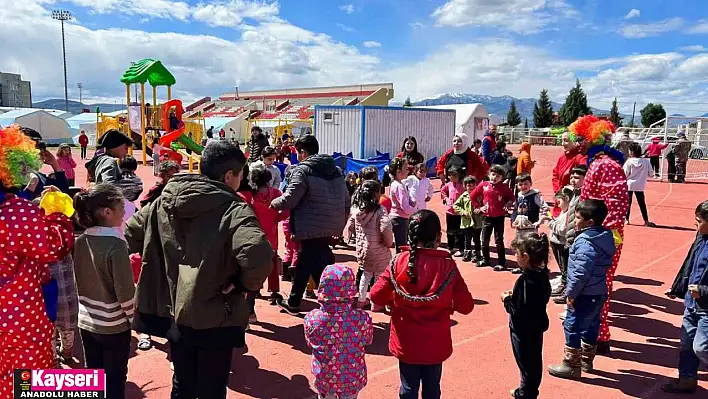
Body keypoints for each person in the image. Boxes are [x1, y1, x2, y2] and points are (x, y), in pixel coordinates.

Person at [125, 141, 273, 398]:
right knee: (213, 387)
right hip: (216, 313)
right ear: (229, 175)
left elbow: (130, 233)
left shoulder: (164, 201)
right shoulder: (234, 208)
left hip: (174, 310)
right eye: (240, 175)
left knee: (182, 381)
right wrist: (243, 284)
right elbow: (258, 254)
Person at [0, 125, 75, 398]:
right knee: (28, 380)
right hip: (19, 317)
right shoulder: (14, 212)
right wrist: (56, 212)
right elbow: (58, 246)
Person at [370, 210, 474, 399]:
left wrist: (396, 296)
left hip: (406, 341)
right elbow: (466, 306)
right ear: (438, 236)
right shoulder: (447, 265)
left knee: (408, 387)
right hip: (435, 343)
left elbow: (376, 296)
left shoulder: (398, 261)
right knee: (432, 388)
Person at [272, 135, 350, 315]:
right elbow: (346, 199)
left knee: (308, 260)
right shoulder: (337, 170)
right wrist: (341, 221)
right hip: (332, 223)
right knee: (316, 260)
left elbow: (290, 198)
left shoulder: (302, 171)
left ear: (303, 153)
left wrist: (273, 203)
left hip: (309, 225)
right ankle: (314, 298)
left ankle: (305, 300)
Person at [571, 115, 629, 354]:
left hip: (604, 236)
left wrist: (597, 233)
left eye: (581, 139)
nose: (578, 143)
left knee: (598, 285)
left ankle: (598, 339)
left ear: (592, 138)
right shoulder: (597, 162)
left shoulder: (605, 164)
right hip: (597, 232)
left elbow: (617, 204)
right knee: (595, 285)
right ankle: (596, 336)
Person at [72, 184, 135, 398]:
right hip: (114, 325)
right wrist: (133, 318)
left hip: (86, 321)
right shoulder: (117, 246)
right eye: (121, 208)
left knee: (95, 375)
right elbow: (125, 292)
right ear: (107, 212)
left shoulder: (79, 241)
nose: (124, 213)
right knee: (115, 378)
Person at [548, 200, 616, 380]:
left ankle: (571, 365)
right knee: (592, 324)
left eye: (577, 218)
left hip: (585, 293)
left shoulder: (585, 242)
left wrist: (571, 293)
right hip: (599, 291)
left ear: (590, 222)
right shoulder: (604, 236)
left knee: (572, 326)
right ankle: (587, 360)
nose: (575, 221)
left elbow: (580, 271)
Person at [305, 264, 373, 399]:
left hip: (325, 377)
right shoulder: (362, 318)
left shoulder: (313, 318)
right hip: (353, 377)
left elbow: (310, 342)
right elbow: (368, 340)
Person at [662, 200, 708, 394]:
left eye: (698, 221)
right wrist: (678, 287)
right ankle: (687, 379)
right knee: (686, 345)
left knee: (702, 347)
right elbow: (690, 264)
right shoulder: (700, 237)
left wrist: (703, 291)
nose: (695, 225)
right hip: (692, 304)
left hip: (706, 307)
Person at [503, 233, 552, 399]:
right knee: (533, 361)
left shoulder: (526, 281)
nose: (514, 256)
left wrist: (507, 299)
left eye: (516, 253)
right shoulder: (543, 274)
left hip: (522, 330)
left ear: (525, 257)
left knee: (527, 364)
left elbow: (517, 310)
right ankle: (525, 390)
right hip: (536, 326)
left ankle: (526, 394)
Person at [240, 164, 289, 311]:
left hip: (254, 235)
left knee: (255, 265)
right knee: (272, 262)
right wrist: (276, 219)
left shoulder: (249, 195)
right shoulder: (276, 193)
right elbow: (286, 212)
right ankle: (274, 291)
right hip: (272, 235)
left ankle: (256, 288)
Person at [351, 180, 393, 310]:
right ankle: (376, 302)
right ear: (376, 194)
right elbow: (385, 227)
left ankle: (361, 299)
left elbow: (351, 225)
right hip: (378, 249)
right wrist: (388, 243)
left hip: (363, 250)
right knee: (379, 276)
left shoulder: (357, 210)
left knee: (366, 274)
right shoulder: (380, 210)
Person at [552, 166, 587, 307]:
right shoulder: (574, 193)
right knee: (567, 264)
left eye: (577, 177)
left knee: (572, 267)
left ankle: (570, 293)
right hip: (570, 235)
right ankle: (566, 289)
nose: (573, 180)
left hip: (577, 235)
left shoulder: (584, 195)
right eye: (571, 177)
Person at [469, 165, 516, 271]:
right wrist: (479, 207)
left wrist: (508, 203)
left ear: (502, 178)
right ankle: (486, 259)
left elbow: (511, 198)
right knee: (484, 240)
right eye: (493, 174)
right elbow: (472, 196)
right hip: (486, 217)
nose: (495, 177)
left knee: (499, 240)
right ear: (489, 174)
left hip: (499, 217)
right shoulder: (484, 185)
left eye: (498, 176)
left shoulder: (504, 188)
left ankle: (502, 263)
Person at [543, 187, 574, 300]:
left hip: (562, 244)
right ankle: (563, 285)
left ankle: (566, 288)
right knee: (562, 267)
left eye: (559, 202)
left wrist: (550, 222)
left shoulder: (569, 214)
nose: (558, 205)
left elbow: (562, 229)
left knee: (565, 268)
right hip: (556, 243)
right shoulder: (563, 212)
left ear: (566, 199)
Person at [551, 132, 587, 216]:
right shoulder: (562, 157)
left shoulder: (580, 157)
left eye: (566, 141)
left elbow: (582, 176)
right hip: (561, 197)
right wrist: (558, 191)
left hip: (571, 200)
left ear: (574, 141)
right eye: (562, 141)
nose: (563, 143)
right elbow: (555, 174)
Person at [453, 175, 484, 263]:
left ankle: (477, 253)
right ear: (465, 186)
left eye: (473, 185)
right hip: (467, 221)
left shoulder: (479, 195)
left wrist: (481, 209)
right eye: (469, 185)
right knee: (467, 238)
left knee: (477, 238)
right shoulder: (464, 196)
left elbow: (484, 204)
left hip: (477, 221)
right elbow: (456, 205)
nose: (471, 187)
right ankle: (468, 252)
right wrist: (463, 212)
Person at [623, 142, 655, 227]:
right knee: (642, 203)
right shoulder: (646, 162)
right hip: (640, 185)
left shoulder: (629, 162)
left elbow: (625, 174)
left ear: (632, 152)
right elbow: (651, 174)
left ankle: (626, 219)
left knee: (627, 203)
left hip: (629, 184)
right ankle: (646, 220)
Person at [388, 157, 417, 252]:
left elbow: (405, 199)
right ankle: (399, 265)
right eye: (405, 169)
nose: (408, 170)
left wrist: (411, 200)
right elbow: (405, 207)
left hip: (399, 218)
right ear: (398, 171)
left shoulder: (397, 184)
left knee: (401, 244)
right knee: (401, 247)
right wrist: (415, 211)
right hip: (399, 219)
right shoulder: (399, 186)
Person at [441, 165, 465, 257]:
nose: (450, 177)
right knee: (450, 230)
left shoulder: (463, 185)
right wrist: (446, 198)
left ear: (458, 176)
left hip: (460, 212)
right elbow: (443, 190)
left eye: (452, 176)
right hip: (450, 212)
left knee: (460, 231)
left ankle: (460, 248)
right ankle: (450, 247)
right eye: (449, 175)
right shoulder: (449, 184)